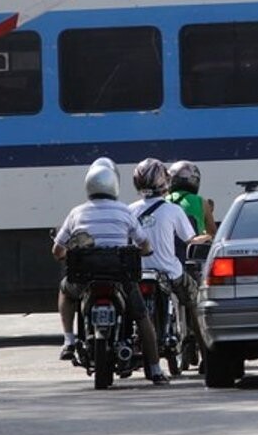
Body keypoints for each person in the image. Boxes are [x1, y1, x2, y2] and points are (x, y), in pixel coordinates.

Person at [52, 159, 170, 385]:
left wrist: (69, 254)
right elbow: (143, 244)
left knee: (65, 291)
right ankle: (155, 369)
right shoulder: (124, 212)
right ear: (114, 186)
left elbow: (57, 250)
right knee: (143, 318)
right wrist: (146, 250)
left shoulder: (76, 213)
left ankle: (68, 340)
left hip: (86, 279)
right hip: (120, 278)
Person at [129, 158, 210, 375]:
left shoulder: (130, 211)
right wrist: (208, 238)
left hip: (139, 274)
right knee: (195, 303)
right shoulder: (173, 210)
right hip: (170, 272)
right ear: (163, 181)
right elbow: (191, 240)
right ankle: (207, 357)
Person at [166, 160, 216, 240]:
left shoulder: (163, 200)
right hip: (193, 249)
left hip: (168, 248)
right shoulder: (201, 202)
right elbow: (212, 232)